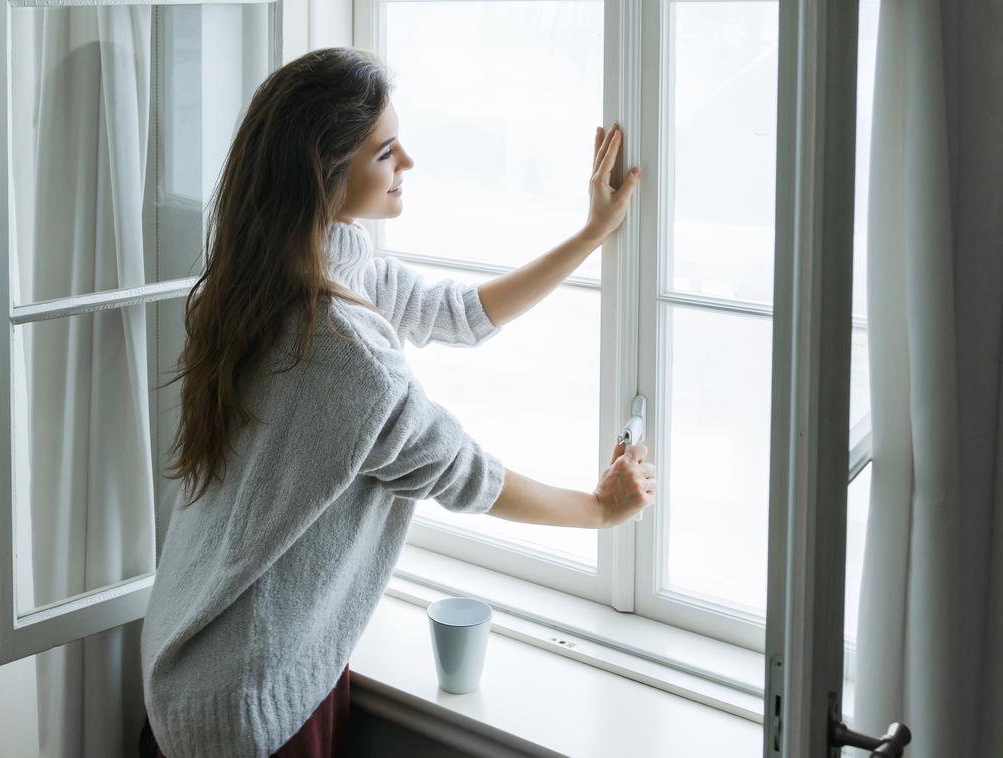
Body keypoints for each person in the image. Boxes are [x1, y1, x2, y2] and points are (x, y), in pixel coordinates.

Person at [138, 45, 654, 758]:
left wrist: (591, 234)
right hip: (248, 705)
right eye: (385, 152)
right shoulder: (346, 357)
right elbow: (466, 475)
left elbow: (455, 313)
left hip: (190, 656)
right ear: (323, 173)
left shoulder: (277, 269)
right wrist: (600, 510)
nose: (406, 163)